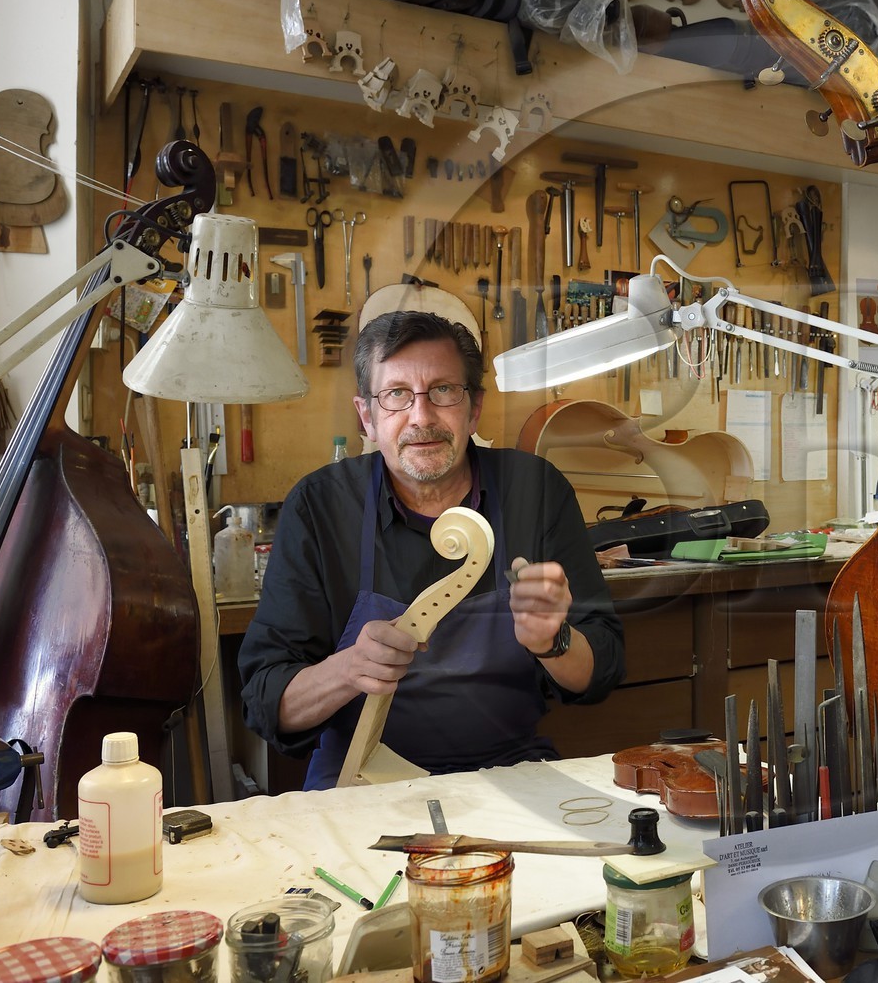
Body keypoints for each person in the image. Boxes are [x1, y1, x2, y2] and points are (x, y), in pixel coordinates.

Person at [238, 310, 624, 789]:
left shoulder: (534, 489)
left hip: (509, 772)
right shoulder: (320, 506)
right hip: (358, 783)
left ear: (474, 408)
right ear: (368, 417)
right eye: (397, 395)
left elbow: (600, 670)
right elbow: (266, 701)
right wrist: (349, 669)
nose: (421, 417)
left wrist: (553, 641)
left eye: (443, 390)